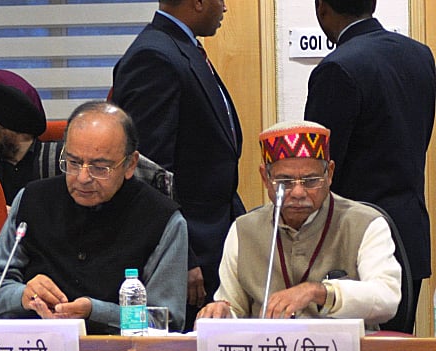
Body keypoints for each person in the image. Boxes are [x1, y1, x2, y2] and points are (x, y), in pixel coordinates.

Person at [0, 102, 188, 334]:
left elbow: (166, 320)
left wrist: (95, 312)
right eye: (74, 162)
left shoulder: (162, 219)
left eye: (100, 167)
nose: (83, 178)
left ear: (130, 164)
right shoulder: (31, 199)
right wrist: (22, 296)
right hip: (36, 345)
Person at [111, 0, 243, 330]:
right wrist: (181, 257)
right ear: (198, 2)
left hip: (215, 238)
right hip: (188, 247)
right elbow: (148, 171)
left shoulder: (181, 48)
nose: (225, 7)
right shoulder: (153, 56)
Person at [304, 0, 436, 331]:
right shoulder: (420, 56)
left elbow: (318, 170)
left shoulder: (337, 68)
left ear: (321, 8)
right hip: (409, 234)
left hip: (355, 245)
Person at [196, 121, 401, 329]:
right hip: (267, 347)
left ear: (329, 174)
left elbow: (387, 297)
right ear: (265, 178)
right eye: (284, 182)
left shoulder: (365, 223)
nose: (298, 193)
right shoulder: (244, 230)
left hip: (344, 348)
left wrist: (318, 292)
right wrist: (221, 312)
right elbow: (233, 308)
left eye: (311, 181)